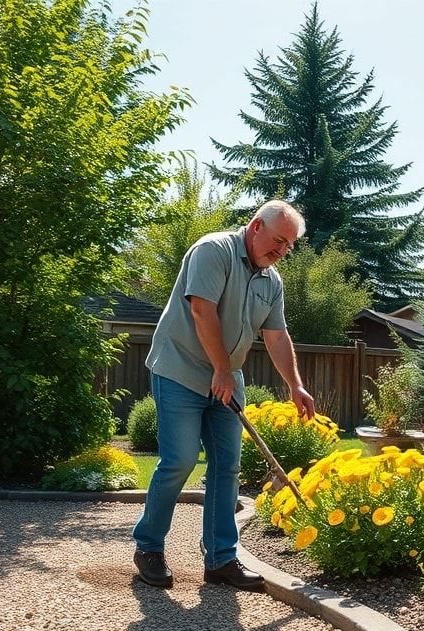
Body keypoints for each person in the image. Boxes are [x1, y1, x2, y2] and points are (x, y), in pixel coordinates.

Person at [132, 200, 316, 590]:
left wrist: (295, 384)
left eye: (289, 246)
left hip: (225, 377)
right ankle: (149, 546)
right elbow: (202, 310)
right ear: (255, 227)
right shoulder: (212, 250)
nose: (282, 251)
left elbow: (277, 335)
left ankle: (220, 559)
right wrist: (220, 368)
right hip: (180, 370)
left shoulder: (272, 281)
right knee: (179, 460)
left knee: (227, 468)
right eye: (278, 241)